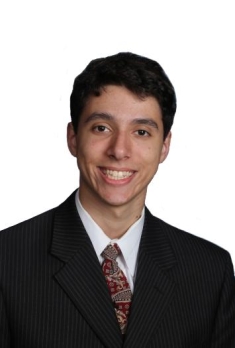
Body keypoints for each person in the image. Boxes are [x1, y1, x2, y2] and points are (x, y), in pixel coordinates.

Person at [0, 52, 234, 348]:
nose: (120, 150)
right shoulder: (7, 261)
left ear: (164, 147)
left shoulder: (210, 271)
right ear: (73, 138)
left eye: (141, 132)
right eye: (102, 128)